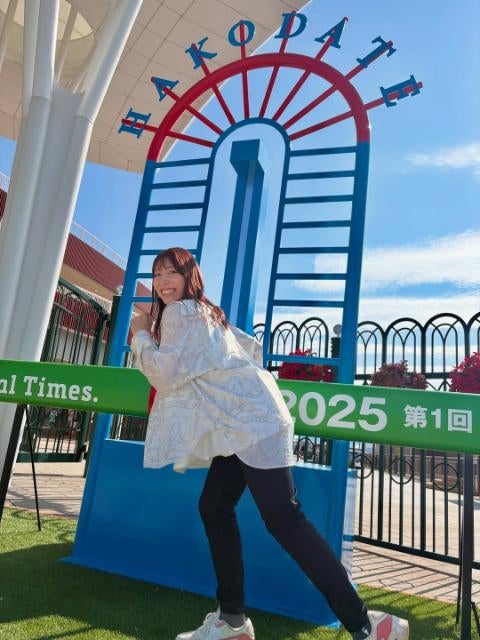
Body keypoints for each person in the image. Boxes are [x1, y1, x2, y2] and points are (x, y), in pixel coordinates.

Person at [130, 247, 409, 640]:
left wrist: (141, 334)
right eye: (157, 274)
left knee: (284, 520)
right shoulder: (208, 313)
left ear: (190, 276)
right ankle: (232, 621)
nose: (162, 282)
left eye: (171, 272)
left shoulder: (180, 313)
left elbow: (163, 374)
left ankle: (368, 624)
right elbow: (251, 350)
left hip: (250, 425)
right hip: (243, 424)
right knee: (215, 506)